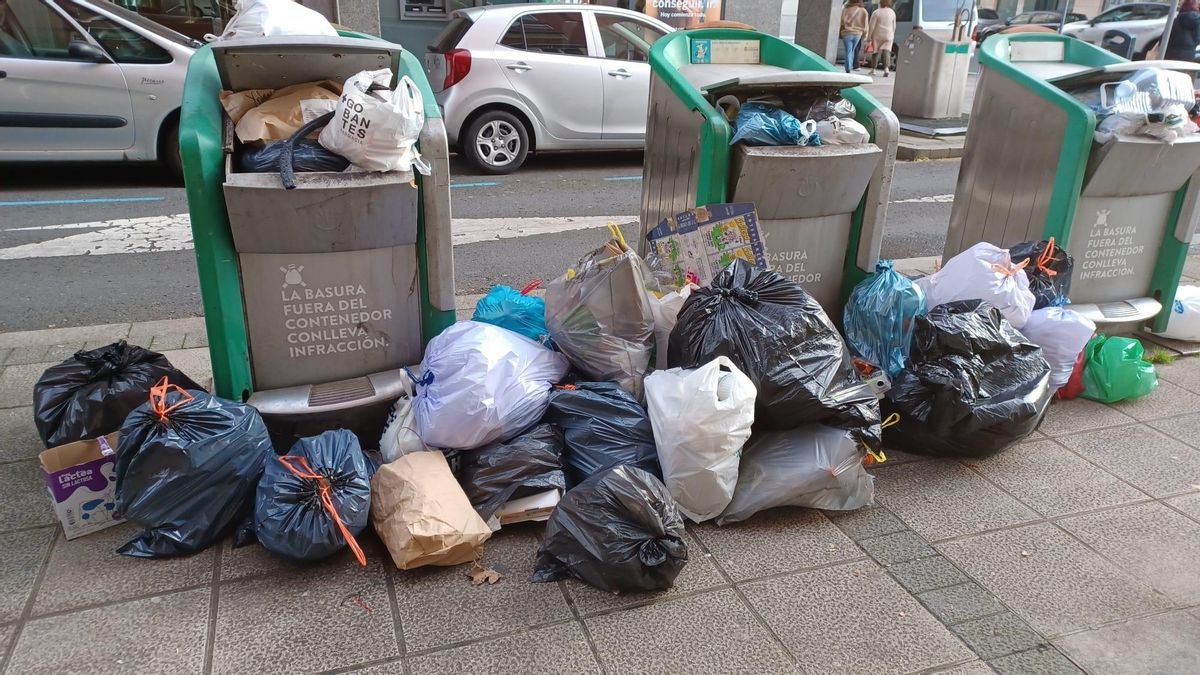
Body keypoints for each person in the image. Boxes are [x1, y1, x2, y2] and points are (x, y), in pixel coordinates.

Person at [868, 0, 897, 77]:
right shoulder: (892, 12)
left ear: (880, 2)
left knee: (875, 52)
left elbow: (871, 26)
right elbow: (894, 25)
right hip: (889, 34)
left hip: (877, 35)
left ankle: (873, 69)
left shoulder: (876, 12)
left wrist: (869, 37)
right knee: (887, 51)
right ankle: (886, 69)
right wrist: (892, 34)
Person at [841, 0, 869, 73]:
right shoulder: (863, 10)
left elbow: (841, 21)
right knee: (852, 50)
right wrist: (865, 35)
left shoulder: (845, 9)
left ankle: (848, 68)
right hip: (858, 34)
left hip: (846, 33)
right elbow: (866, 25)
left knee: (848, 50)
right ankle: (849, 66)